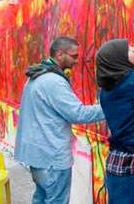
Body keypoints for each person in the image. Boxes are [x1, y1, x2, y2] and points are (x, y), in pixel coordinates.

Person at [14, 36, 105, 204]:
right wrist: (110, 105)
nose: (77, 61)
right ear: (60, 54)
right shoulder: (53, 81)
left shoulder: (37, 75)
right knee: (56, 200)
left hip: (38, 156)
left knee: (41, 198)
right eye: (74, 56)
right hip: (51, 158)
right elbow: (78, 114)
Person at [96, 39, 134, 204]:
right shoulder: (133, 82)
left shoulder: (106, 92)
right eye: (128, 49)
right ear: (117, 59)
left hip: (117, 160)